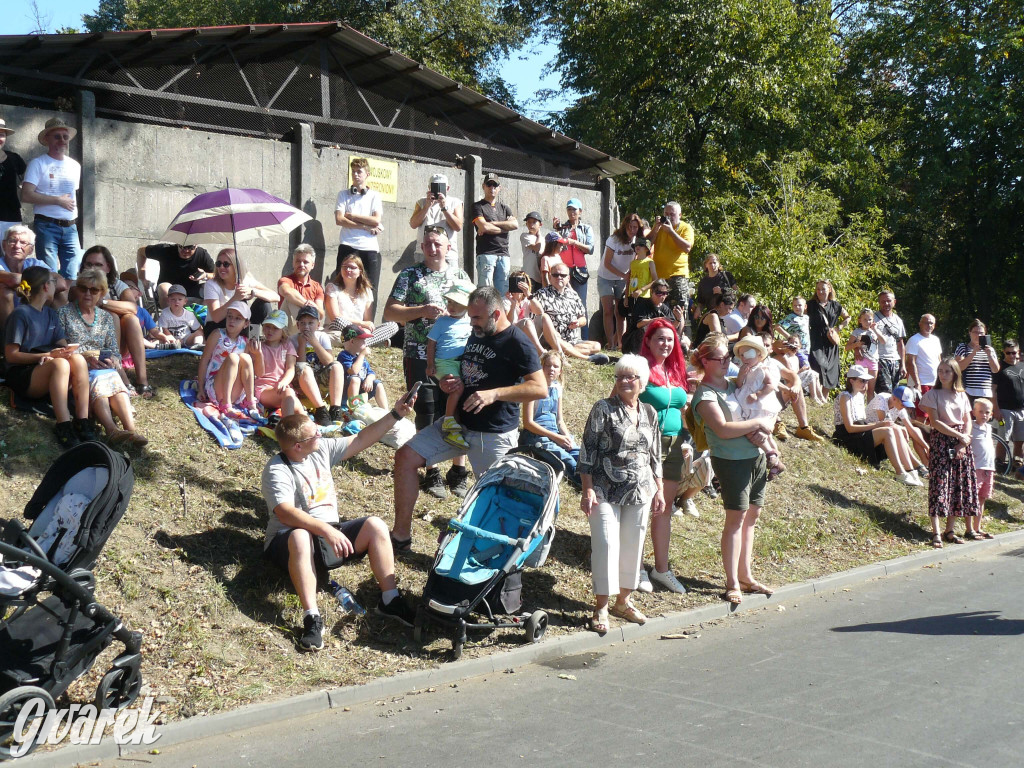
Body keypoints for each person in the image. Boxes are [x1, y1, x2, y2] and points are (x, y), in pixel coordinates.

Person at [390, 286, 546, 552]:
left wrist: (495, 394)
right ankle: (400, 536)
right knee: (405, 457)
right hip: (457, 425)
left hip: (493, 434)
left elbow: (539, 388)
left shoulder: (517, 343)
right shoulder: (477, 333)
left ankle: (491, 558)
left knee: (496, 498)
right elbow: (471, 372)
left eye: (476, 318)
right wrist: (448, 383)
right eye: (470, 317)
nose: (471, 322)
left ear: (496, 314)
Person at [261, 407, 418, 652]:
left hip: (327, 539)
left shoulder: (320, 450)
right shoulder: (276, 469)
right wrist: (326, 530)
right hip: (290, 542)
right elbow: (284, 512)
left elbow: (362, 438)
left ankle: (390, 600)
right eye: (314, 435)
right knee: (301, 536)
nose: (320, 436)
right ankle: (311, 618)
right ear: (298, 447)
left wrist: (396, 414)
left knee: (375, 525)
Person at [383, 227, 472, 499]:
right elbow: (390, 312)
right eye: (429, 244)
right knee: (427, 409)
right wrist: (421, 311)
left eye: (438, 244)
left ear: (448, 247)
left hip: (457, 355)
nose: (433, 249)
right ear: (422, 246)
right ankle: (430, 469)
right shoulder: (410, 275)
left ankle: (458, 471)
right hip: (418, 352)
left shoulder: (460, 275)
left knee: (458, 410)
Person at [580, 354, 664, 633]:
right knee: (605, 543)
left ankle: (623, 602)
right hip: (604, 488)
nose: (625, 381)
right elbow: (587, 451)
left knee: (633, 545)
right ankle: (601, 606)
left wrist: (660, 489)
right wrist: (587, 488)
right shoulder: (603, 409)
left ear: (642, 381)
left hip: (641, 489)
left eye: (631, 377)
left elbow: (655, 455)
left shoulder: (650, 412)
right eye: (620, 377)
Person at [691, 333, 774, 606]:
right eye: (721, 358)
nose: (728, 361)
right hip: (731, 461)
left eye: (729, 356)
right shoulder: (704, 395)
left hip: (755, 457)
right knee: (735, 520)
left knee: (752, 516)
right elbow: (723, 430)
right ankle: (732, 582)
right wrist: (759, 424)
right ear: (704, 360)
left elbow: (763, 394)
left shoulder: (732, 384)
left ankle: (746, 577)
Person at [3, 266, 94, 447]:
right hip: (24, 373)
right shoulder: (21, 314)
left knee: (77, 359)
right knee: (60, 365)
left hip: (47, 365)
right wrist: (45, 356)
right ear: (46, 286)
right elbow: (10, 356)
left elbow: (61, 343)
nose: (55, 286)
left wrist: (67, 351)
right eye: (53, 282)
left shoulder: (51, 313)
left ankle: (82, 420)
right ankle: (63, 424)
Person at [57, 268, 147, 446]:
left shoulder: (106, 317)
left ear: (102, 293)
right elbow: (61, 347)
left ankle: (131, 430)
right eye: (83, 288)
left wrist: (112, 360)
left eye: (94, 290)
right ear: (77, 290)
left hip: (102, 367)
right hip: (78, 368)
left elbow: (114, 350)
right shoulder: (64, 313)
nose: (88, 293)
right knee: (100, 379)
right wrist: (84, 356)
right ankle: (111, 430)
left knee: (110, 376)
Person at [637, 319, 691, 595]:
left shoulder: (675, 371)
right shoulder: (641, 369)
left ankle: (661, 568)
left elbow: (682, 406)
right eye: (660, 339)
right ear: (648, 340)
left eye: (670, 339)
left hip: (674, 445)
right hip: (647, 444)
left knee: (664, 507)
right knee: (644, 506)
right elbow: (618, 399)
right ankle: (636, 568)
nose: (666, 344)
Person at [78, 245, 155, 399]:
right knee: (112, 316)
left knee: (131, 319)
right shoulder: (79, 285)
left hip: (120, 344)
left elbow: (133, 308)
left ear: (108, 267)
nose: (93, 268)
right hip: (92, 347)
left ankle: (142, 380)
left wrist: (102, 302)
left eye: (98, 264)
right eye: (89, 264)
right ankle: (120, 377)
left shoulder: (117, 285)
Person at [919, 359, 979, 547]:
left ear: (955, 374)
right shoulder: (932, 395)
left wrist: (964, 440)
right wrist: (959, 435)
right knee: (939, 484)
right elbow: (935, 422)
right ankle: (936, 531)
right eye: (940, 371)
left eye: (947, 371)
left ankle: (950, 529)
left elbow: (968, 419)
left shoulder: (962, 395)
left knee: (957, 484)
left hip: (961, 441)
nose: (943, 374)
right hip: (942, 440)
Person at [832, 365, 923, 485]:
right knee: (888, 430)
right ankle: (900, 472)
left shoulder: (859, 396)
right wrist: (877, 425)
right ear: (851, 380)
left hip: (859, 433)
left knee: (895, 429)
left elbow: (861, 422)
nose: (865, 383)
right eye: (862, 380)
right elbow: (849, 428)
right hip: (846, 437)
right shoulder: (845, 397)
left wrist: (880, 424)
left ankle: (910, 470)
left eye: (866, 380)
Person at [21, 118, 82, 278]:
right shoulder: (38, 163)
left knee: (72, 275)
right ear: (47, 139)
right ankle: (49, 304)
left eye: (65, 136)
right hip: (47, 225)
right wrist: (57, 200)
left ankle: (65, 304)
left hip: (71, 227)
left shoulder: (75, 166)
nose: (62, 140)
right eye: (57, 136)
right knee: (48, 275)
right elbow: (26, 194)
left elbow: (72, 193)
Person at [520, 350, 581, 487]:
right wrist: (555, 437)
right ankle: (584, 485)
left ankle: (598, 482)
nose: (551, 369)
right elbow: (528, 423)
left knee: (582, 456)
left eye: (555, 366)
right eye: (548, 365)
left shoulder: (557, 388)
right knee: (568, 461)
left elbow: (559, 420)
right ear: (541, 367)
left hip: (555, 434)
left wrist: (566, 438)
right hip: (537, 436)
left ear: (560, 370)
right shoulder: (533, 388)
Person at [426, 280, 474, 449]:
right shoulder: (442, 321)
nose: (451, 306)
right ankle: (448, 421)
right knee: (456, 387)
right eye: (450, 302)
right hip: (443, 363)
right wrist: (430, 364)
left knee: (462, 392)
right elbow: (431, 344)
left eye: (457, 303)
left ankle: (455, 431)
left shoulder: (471, 322)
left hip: (461, 363)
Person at [731, 336, 786, 478]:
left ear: (759, 354)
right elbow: (739, 385)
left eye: (748, 354)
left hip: (759, 404)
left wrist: (758, 394)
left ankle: (771, 454)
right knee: (754, 432)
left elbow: (771, 385)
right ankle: (775, 460)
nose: (744, 358)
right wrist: (741, 375)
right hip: (748, 404)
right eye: (741, 355)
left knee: (758, 432)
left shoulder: (762, 368)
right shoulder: (745, 369)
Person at [529, 265, 607, 363]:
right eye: (555, 275)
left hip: (573, 340)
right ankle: (586, 358)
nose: (559, 277)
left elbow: (583, 319)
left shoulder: (573, 295)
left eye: (563, 275)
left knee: (597, 346)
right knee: (557, 340)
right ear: (550, 277)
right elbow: (535, 319)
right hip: (552, 339)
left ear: (568, 278)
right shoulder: (541, 295)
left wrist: (578, 323)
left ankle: (563, 352)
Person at [324, 252, 398, 347]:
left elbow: (368, 321)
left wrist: (365, 327)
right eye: (345, 267)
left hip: (359, 330)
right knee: (339, 323)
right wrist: (361, 324)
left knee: (393, 326)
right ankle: (369, 341)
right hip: (338, 330)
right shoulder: (332, 288)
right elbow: (335, 318)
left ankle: (360, 341)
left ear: (360, 271)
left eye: (352, 267)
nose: (348, 269)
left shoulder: (367, 292)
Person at [196, 300, 257, 416]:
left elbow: (251, 372)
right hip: (216, 387)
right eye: (230, 316)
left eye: (238, 318)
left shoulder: (245, 342)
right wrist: (200, 388)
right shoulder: (217, 334)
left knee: (245, 358)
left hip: (235, 391)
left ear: (246, 323)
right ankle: (226, 405)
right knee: (233, 358)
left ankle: (250, 402)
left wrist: (258, 354)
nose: (232, 321)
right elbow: (204, 360)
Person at [203, 248, 279, 336]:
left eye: (226, 264)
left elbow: (276, 297)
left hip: (241, 325)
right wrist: (235, 298)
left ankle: (265, 338)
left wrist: (251, 291)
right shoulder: (211, 284)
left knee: (263, 304)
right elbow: (216, 317)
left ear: (236, 266)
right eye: (218, 264)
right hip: (217, 327)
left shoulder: (245, 280)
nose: (221, 267)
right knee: (235, 310)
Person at [335, 157, 383, 296]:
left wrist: (352, 216)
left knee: (369, 289)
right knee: (342, 286)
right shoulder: (343, 194)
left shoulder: (374, 196)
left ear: (367, 174)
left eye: (359, 172)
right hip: (347, 245)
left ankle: (368, 318)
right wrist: (364, 226)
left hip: (369, 248)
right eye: (353, 172)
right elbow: (339, 220)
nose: (355, 175)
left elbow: (375, 220)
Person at [291, 304, 344, 424]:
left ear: (318, 325)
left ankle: (335, 409)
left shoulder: (322, 337)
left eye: (310, 323)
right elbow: (299, 366)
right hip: (302, 384)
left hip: (320, 381)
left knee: (337, 366)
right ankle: (321, 410)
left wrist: (315, 343)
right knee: (303, 367)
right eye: (303, 323)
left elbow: (328, 361)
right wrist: (302, 345)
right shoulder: (293, 340)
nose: (306, 327)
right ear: (298, 325)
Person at [248, 309, 302, 419]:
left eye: (275, 328)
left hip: (283, 387)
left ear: (284, 331)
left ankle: (305, 426)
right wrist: (258, 355)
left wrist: (284, 381)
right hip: (264, 389)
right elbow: (259, 373)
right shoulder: (259, 346)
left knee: (295, 403)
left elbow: (290, 368)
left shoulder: (287, 345)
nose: (270, 331)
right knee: (289, 395)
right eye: (267, 326)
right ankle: (288, 427)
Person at [648, 202, 694, 330]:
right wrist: (656, 228)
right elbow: (646, 246)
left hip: (677, 275)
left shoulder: (685, 228)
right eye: (666, 214)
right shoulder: (660, 228)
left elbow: (687, 247)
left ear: (679, 215)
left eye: (672, 214)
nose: (668, 217)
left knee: (679, 309)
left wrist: (671, 231)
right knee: (662, 309)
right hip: (660, 277)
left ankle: (681, 339)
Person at [599, 213, 641, 351]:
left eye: (635, 227)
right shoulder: (614, 240)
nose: (632, 230)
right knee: (608, 310)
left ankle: (620, 345)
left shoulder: (637, 240)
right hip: (606, 277)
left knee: (620, 311)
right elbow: (607, 263)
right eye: (630, 227)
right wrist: (623, 275)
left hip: (624, 279)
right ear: (625, 226)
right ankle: (610, 344)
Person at [471, 172, 517, 295]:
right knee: (484, 291)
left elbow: (515, 225)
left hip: (504, 254)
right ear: (483, 186)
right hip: (486, 253)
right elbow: (484, 226)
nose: (492, 188)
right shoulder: (477, 206)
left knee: (503, 292)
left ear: (499, 188)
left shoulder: (505, 208)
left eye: (495, 185)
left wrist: (493, 224)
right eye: (489, 184)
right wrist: (505, 227)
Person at [1, 224, 52, 329]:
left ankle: (54, 333)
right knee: (6, 292)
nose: (17, 246)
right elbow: (13, 279)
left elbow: (60, 282)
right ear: (4, 245)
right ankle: (10, 339)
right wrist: (38, 282)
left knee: (54, 290)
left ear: (31, 249)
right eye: (12, 241)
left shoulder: (34, 263)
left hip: (31, 316)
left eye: (23, 243)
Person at [867, 385, 930, 468]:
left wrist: (927, 447)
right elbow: (884, 423)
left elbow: (910, 428)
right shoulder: (881, 399)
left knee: (916, 430)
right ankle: (916, 465)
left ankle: (926, 463)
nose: (905, 407)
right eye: (903, 404)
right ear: (894, 398)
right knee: (899, 431)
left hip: (886, 430)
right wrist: (902, 428)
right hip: (871, 431)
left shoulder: (898, 405)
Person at [136, 241, 214, 307]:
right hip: (169, 291)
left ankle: (207, 322)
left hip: (191, 291)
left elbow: (216, 275)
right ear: (177, 244)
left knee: (213, 287)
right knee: (165, 288)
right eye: (182, 247)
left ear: (196, 245)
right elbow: (141, 252)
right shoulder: (165, 250)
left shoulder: (202, 254)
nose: (186, 251)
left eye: (190, 247)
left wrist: (206, 275)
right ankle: (170, 320)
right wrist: (141, 276)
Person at [409, 172, 463, 269]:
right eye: (434, 187)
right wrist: (427, 206)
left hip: (448, 254)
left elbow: (458, 226)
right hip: (423, 252)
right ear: (429, 188)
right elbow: (413, 224)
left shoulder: (455, 202)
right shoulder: (421, 202)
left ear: (447, 188)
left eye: (441, 187)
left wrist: (444, 208)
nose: (438, 190)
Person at [552, 199, 595, 316]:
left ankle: (584, 335)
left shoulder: (586, 228)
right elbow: (554, 245)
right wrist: (556, 229)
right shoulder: (562, 227)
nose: (571, 212)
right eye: (569, 209)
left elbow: (590, 249)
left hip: (580, 270)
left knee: (581, 304)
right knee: (562, 302)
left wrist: (574, 242)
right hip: (563, 270)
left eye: (574, 209)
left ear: (580, 211)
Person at [808, 278, 849, 394]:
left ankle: (824, 398)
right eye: (818, 289)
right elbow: (800, 315)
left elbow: (848, 317)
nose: (820, 291)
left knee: (831, 369)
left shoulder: (835, 305)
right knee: (818, 365)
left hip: (830, 340)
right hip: (816, 338)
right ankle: (816, 395)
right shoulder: (810, 305)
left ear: (829, 289)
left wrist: (838, 328)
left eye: (823, 289)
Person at [622, 278, 684, 355]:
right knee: (645, 329)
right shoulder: (642, 304)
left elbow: (672, 327)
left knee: (673, 335)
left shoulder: (665, 309)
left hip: (655, 342)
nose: (662, 296)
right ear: (652, 292)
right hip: (632, 343)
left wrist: (678, 319)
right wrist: (658, 320)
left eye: (665, 293)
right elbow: (639, 324)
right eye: (659, 293)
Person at [338, 324, 388, 410]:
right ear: (352, 341)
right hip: (345, 395)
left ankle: (386, 411)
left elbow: (371, 373)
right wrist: (362, 354)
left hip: (360, 394)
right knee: (355, 379)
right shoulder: (344, 355)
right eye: (363, 340)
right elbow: (353, 371)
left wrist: (369, 379)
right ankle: (353, 410)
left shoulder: (360, 358)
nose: (365, 343)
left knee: (377, 384)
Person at [277, 244, 325, 332]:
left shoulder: (317, 287)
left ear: (313, 265)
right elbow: (286, 292)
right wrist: (308, 306)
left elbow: (321, 314)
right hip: (288, 328)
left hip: (308, 327)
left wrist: (315, 308)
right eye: (298, 261)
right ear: (293, 263)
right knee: (289, 298)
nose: (301, 265)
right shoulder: (286, 280)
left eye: (306, 262)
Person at [993, 339, 1023, 472]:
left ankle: (1017, 466)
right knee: (1003, 438)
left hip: (1021, 410)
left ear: (1018, 352)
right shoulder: (999, 367)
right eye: (1008, 353)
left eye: (1013, 352)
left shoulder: (1022, 366)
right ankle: (999, 464)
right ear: (1004, 353)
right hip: (1004, 410)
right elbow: (992, 390)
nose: (1011, 355)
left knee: (1020, 439)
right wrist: (996, 409)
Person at [969, 398, 996, 541]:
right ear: (974, 412)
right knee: (973, 497)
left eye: (987, 412)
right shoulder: (971, 426)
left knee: (982, 498)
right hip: (976, 467)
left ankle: (978, 527)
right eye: (980, 411)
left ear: (991, 414)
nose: (984, 415)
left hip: (988, 467)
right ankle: (970, 529)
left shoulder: (989, 428)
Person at [905, 314, 942, 418]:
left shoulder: (936, 340)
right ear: (920, 324)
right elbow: (910, 362)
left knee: (935, 415)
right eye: (926, 323)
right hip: (922, 383)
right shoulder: (914, 340)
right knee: (922, 415)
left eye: (931, 323)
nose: (929, 325)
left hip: (935, 383)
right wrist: (917, 383)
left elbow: (939, 360)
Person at [954, 319, 1000, 401]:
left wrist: (990, 355)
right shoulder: (963, 347)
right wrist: (973, 354)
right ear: (970, 333)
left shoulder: (990, 349)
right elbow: (958, 367)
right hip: (968, 392)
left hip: (985, 392)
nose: (978, 335)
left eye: (981, 333)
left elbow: (995, 370)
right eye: (975, 332)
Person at [873, 290, 907, 394]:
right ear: (879, 302)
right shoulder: (873, 318)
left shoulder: (898, 320)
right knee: (885, 392)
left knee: (895, 392)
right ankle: (883, 410)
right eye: (883, 301)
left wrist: (903, 365)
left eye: (888, 301)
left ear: (894, 302)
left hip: (894, 360)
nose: (886, 304)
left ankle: (891, 410)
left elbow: (900, 343)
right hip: (879, 358)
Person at [846, 308, 883, 400]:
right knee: (862, 388)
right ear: (860, 320)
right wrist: (856, 345)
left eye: (869, 319)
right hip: (861, 361)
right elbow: (847, 347)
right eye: (865, 320)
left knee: (871, 389)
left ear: (873, 320)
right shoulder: (857, 332)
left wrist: (875, 330)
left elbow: (883, 341)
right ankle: (859, 408)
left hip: (873, 361)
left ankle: (869, 411)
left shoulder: (875, 330)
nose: (867, 322)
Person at [0, 118, 26, 243]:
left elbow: (27, 177)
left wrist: (23, 186)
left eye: (1, 135)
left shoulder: (14, 158)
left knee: (11, 256)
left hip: (11, 215)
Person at [157, 284, 204, 349]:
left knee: (199, 333)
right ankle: (172, 346)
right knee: (161, 339)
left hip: (186, 339)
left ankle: (197, 345)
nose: (176, 302)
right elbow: (164, 329)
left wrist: (198, 336)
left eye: (180, 299)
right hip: (171, 338)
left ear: (185, 301)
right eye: (173, 299)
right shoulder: (165, 313)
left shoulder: (189, 314)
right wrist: (173, 339)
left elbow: (198, 328)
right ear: (168, 300)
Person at [694, 253, 737, 319]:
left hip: (729, 314)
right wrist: (698, 310)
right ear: (706, 265)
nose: (712, 265)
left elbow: (736, 292)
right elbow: (701, 302)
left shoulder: (726, 276)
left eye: (714, 262)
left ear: (718, 264)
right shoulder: (703, 282)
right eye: (710, 263)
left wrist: (722, 291)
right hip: (712, 316)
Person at [518, 211, 543, 289]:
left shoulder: (543, 239)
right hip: (529, 275)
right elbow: (536, 248)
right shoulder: (525, 236)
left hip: (540, 276)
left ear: (540, 225)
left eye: (534, 222)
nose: (531, 225)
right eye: (529, 222)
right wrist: (539, 236)